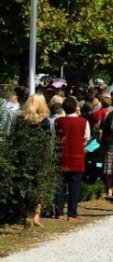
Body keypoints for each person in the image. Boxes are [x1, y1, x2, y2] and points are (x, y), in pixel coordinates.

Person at [16, 94, 51, 226]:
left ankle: (25, 215)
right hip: (39, 157)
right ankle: (36, 215)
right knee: (39, 186)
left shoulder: (21, 119)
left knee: (24, 185)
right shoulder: (44, 121)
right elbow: (47, 142)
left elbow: (16, 139)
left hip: (24, 156)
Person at [54, 97, 89, 220]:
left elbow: (54, 138)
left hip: (61, 157)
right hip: (77, 157)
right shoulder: (84, 122)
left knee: (60, 186)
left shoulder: (58, 121)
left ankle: (58, 212)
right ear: (76, 108)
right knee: (74, 186)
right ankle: (72, 213)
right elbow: (86, 139)